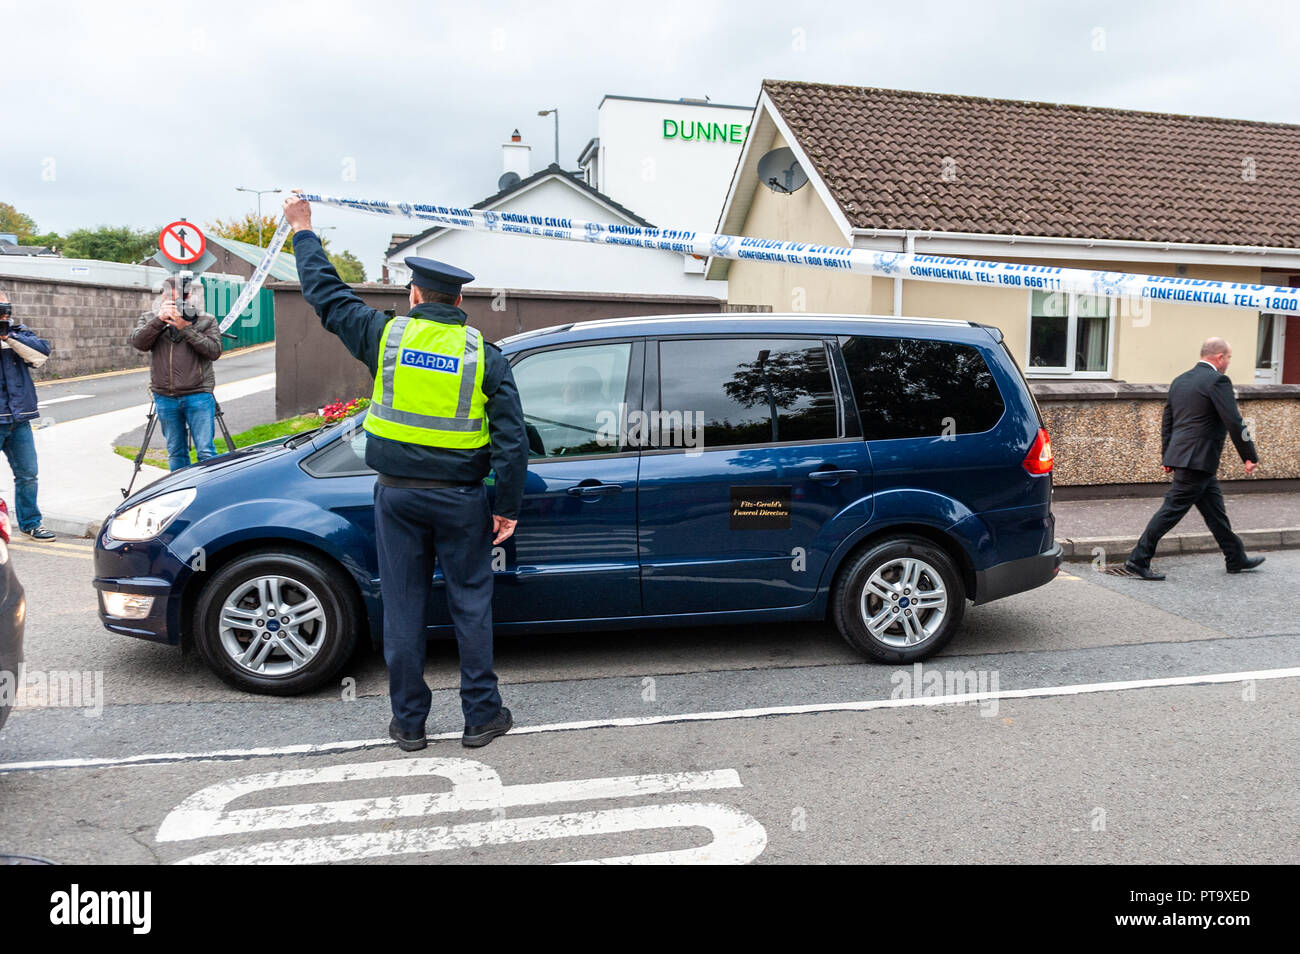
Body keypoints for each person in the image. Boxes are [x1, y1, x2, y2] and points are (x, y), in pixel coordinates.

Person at [282, 191, 527, 752]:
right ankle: (481, 717)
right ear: (459, 298)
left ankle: (410, 725)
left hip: (397, 498)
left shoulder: (385, 335)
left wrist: (303, 229)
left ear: (414, 294)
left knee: (404, 607)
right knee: (471, 603)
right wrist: (507, 506)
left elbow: (325, 294)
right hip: (463, 500)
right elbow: (512, 441)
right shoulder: (484, 356)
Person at [1125, 337, 1264, 580]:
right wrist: (1249, 455)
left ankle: (1235, 557)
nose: (1229, 363)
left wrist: (1167, 455)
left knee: (1215, 512)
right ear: (1220, 357)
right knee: (1171, 510)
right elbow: (1234, 420)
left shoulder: (1181, 380)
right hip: (1198, 460)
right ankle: (1138, 559)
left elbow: (1168, 420)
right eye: (1229, 358)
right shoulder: (1218, 381)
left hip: (1188, 458)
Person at [130, 276, 222, 471]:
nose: (171, 302)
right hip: (165, 397)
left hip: (198, 393)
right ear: (162, 295)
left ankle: (208, 493)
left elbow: (214, 351)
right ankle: (180, 492)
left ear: (188, 296)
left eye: (177, 298)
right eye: (168, 297)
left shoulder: (205, 320)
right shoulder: (150, 318)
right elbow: (139, 343)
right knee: (175, 451)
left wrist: (186, 328)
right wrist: (159, 321)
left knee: (205, 451)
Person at [0, 289, 55, 541]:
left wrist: (8, 336)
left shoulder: (19, 333)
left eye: (5, 307)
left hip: (19, 419)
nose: (3, 312)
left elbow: (41, 355)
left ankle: (31, 523)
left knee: (28, 474)